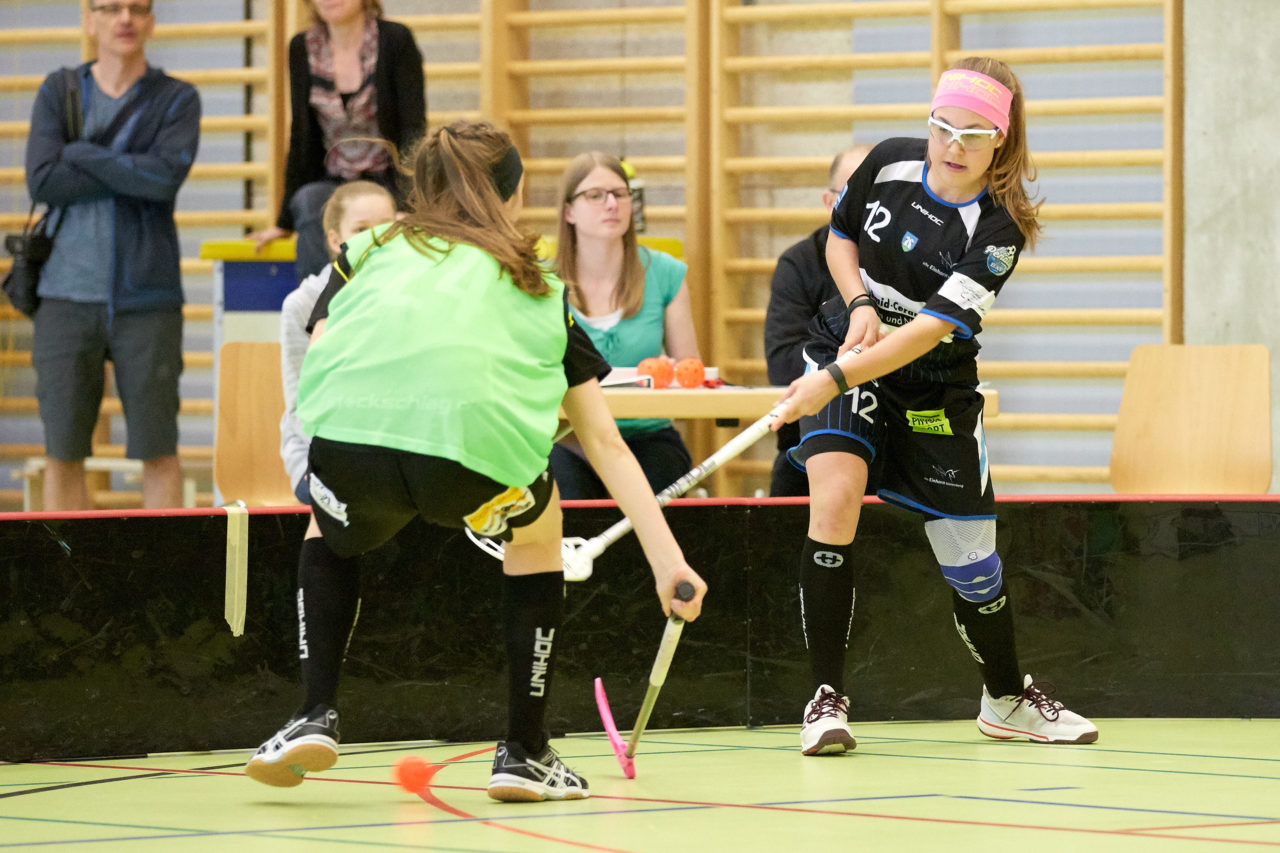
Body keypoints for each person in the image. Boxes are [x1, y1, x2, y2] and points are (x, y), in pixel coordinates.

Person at [244, 120, 707, 802]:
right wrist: (668, 561)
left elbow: (323, 346)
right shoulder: (537, 284)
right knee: (538, 528)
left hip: (349, 450)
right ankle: (524, 748)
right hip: (469, 468)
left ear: (419, 192)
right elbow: (604, 441)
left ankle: (313, 712)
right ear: (514, 195)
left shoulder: (369, 248)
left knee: (327, 528)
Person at [770, 58, 1098, 754]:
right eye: (942, 126)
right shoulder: (887, 163)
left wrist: (835, 377)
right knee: (835, 499)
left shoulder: (1000, 230)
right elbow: (839, 237)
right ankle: (825, 698)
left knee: (974, 563)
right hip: (844, 343)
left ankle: (1006, 698)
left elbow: (926, 332)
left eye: (973, 134)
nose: (952, 145)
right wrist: (857, 303)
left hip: (934, 383)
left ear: (1002, 142)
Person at [24, 1, 201, 511]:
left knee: (158, 450)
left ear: (150, 21)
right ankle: (68, 586)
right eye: (110, 7)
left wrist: (80, 153)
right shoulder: (58, 91)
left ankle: (165, 586)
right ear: (90, 19)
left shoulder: (177, 98)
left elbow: (163, 179)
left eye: (138, 8)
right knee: (63, 452)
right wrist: (128, 169)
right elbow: (43, 180)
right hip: (62, 294)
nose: (125, 17)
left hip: (148, 299)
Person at [550, 152, 701, 499]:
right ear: (569, 211)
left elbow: (691, 376)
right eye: (595, 195)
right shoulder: (542, 281)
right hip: (568, 438)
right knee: (563, 493)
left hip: (647, 436)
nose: (611, 204)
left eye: (620, 194)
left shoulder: (665, 273)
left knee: (659, 484)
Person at [247, 0, 424, 281]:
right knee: (307, 201)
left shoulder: (395, 40)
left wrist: (409, 204)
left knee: (389, 218)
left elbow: (413, 131)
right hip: (334, 176)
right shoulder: (302, 47)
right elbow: (302, 136)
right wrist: (284, 221)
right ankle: (320, 306)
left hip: (388, 177)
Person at [764, 144, 872, 497]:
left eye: (880, 194)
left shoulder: (910, 262)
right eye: (855, 194)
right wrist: (874, 360)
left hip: (895, 438)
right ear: (830, 203)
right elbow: (784, 365)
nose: (870, 208)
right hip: (812, 439)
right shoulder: (799, 264)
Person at [279, 180, 397, 503]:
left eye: (386, 229)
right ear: (335, 240)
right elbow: (301, 405)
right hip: (320, 457)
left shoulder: (410, 296)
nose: (375, 240)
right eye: (361, 229)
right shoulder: (302, 305)